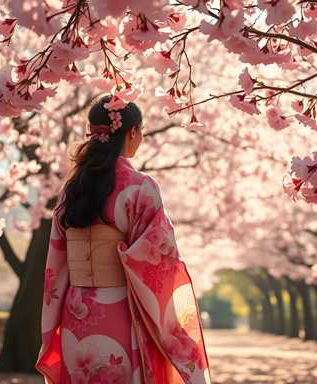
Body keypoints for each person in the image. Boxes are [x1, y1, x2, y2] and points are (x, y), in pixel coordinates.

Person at [35, 94, 211, 384]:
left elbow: (57, 263)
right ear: (132, 133)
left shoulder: (70, 190)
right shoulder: (140, 187)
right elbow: (160, 258)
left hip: (75, 312)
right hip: (118, 311)